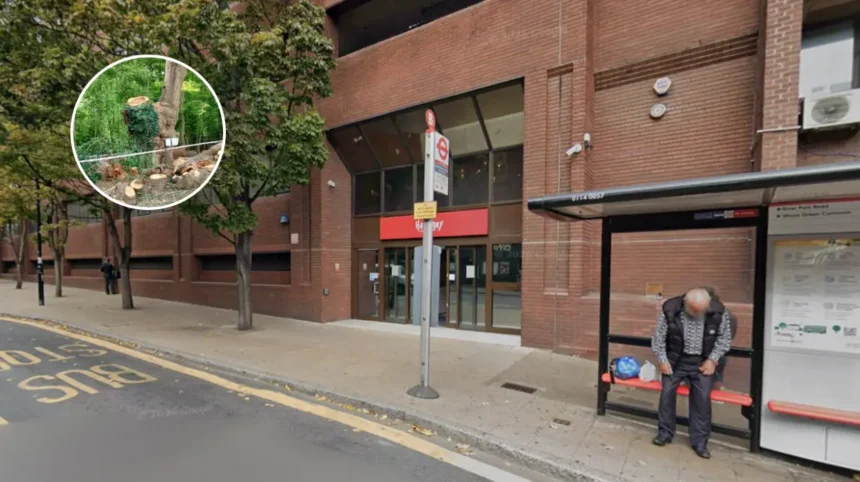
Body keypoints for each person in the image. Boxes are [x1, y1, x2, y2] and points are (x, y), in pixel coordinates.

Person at [650, 288, 732, 459]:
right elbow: (658, 338)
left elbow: (724, 339)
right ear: (685, 303)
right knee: (666, 394)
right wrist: (663, 360)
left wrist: (712, 360)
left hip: (702, 362)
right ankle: (665, 433)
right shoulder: (670, 310)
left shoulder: (718, 312)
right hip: (676, 360)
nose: (698, 313)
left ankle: (700, 442)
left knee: (702, 400)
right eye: (694, 310)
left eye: (701, 309)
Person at [701, 286, 738, 390]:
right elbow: (731, 335)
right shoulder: (727, 313)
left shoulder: (720, 314)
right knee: (716, 379)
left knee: (710, 379)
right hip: (718, 353)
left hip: (711, 353)